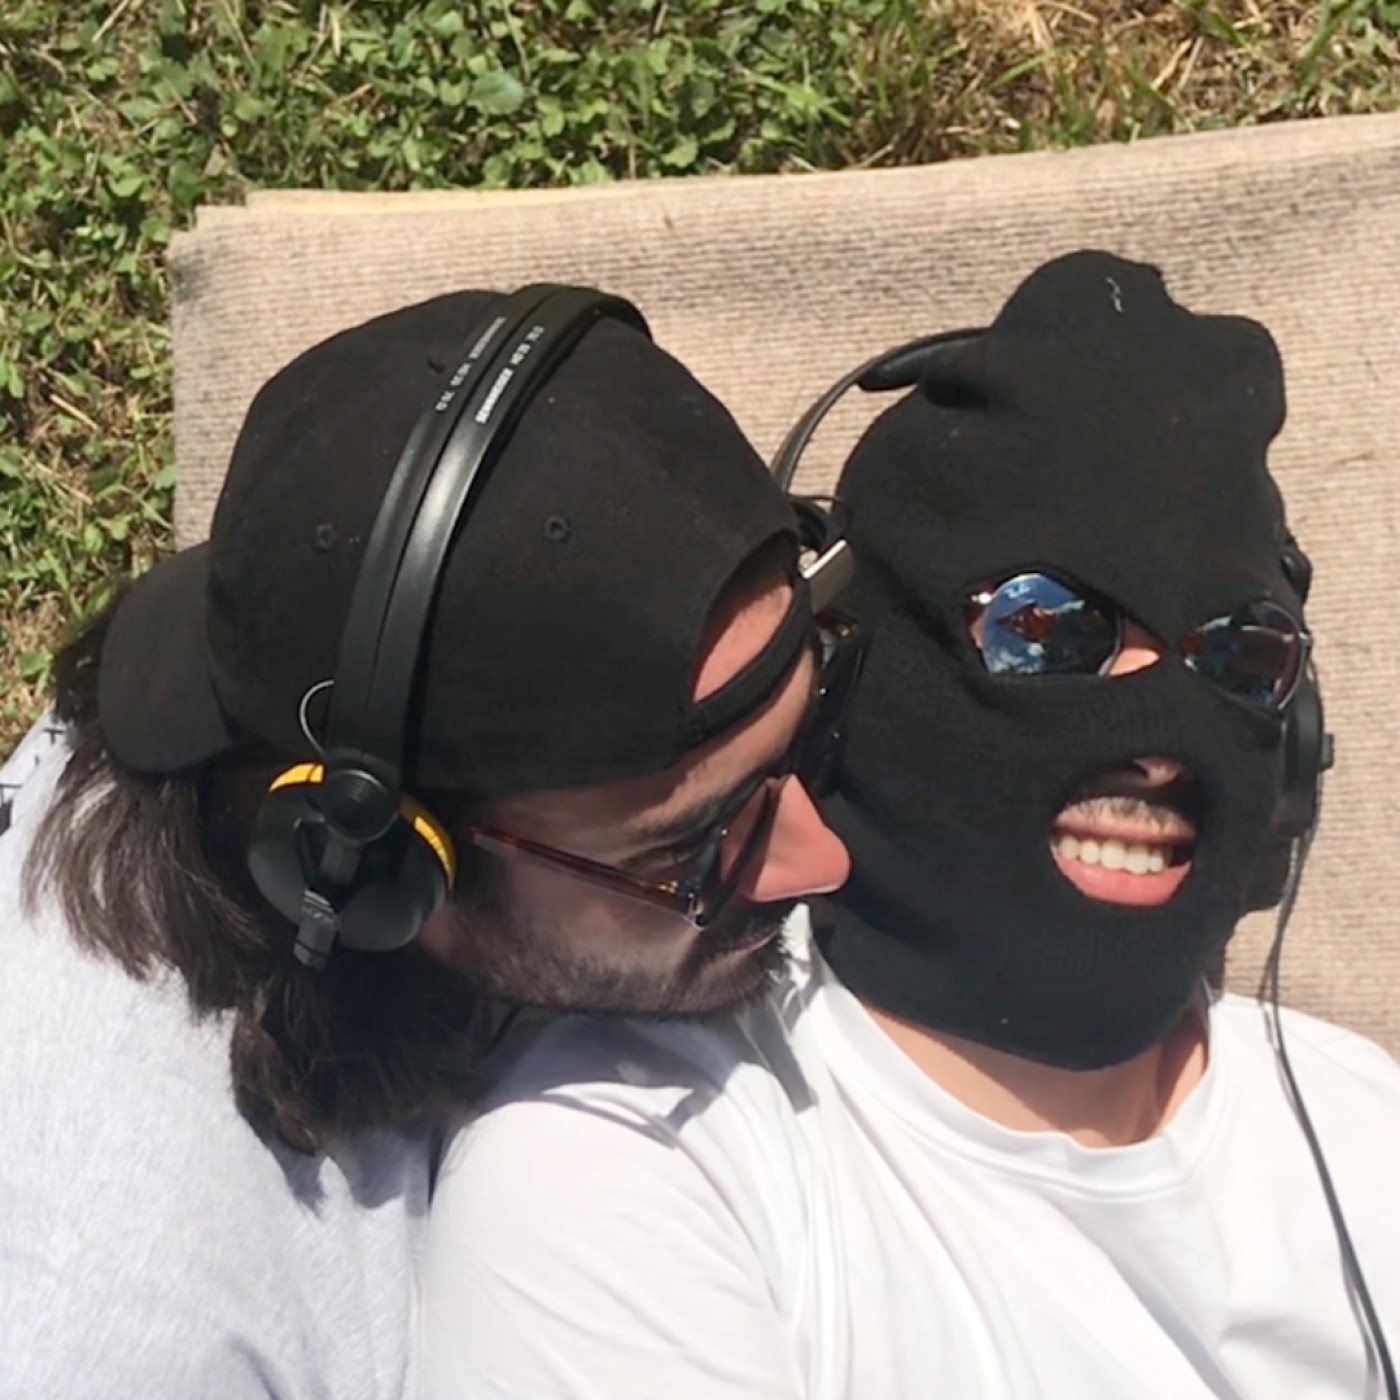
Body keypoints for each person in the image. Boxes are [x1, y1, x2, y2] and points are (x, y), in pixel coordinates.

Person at [421, 253, 1400, 1399]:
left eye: (1240, 655)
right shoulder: (636, 1155)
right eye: (1047, 630)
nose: (1158, 737)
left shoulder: (1360, 1122)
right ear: (850, 681)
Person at [0, 284, 856, 1398]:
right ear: (371, 876)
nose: (822, 859)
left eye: (818, 724)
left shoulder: (303, 648)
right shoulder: (121, 1323)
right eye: (692, 852)